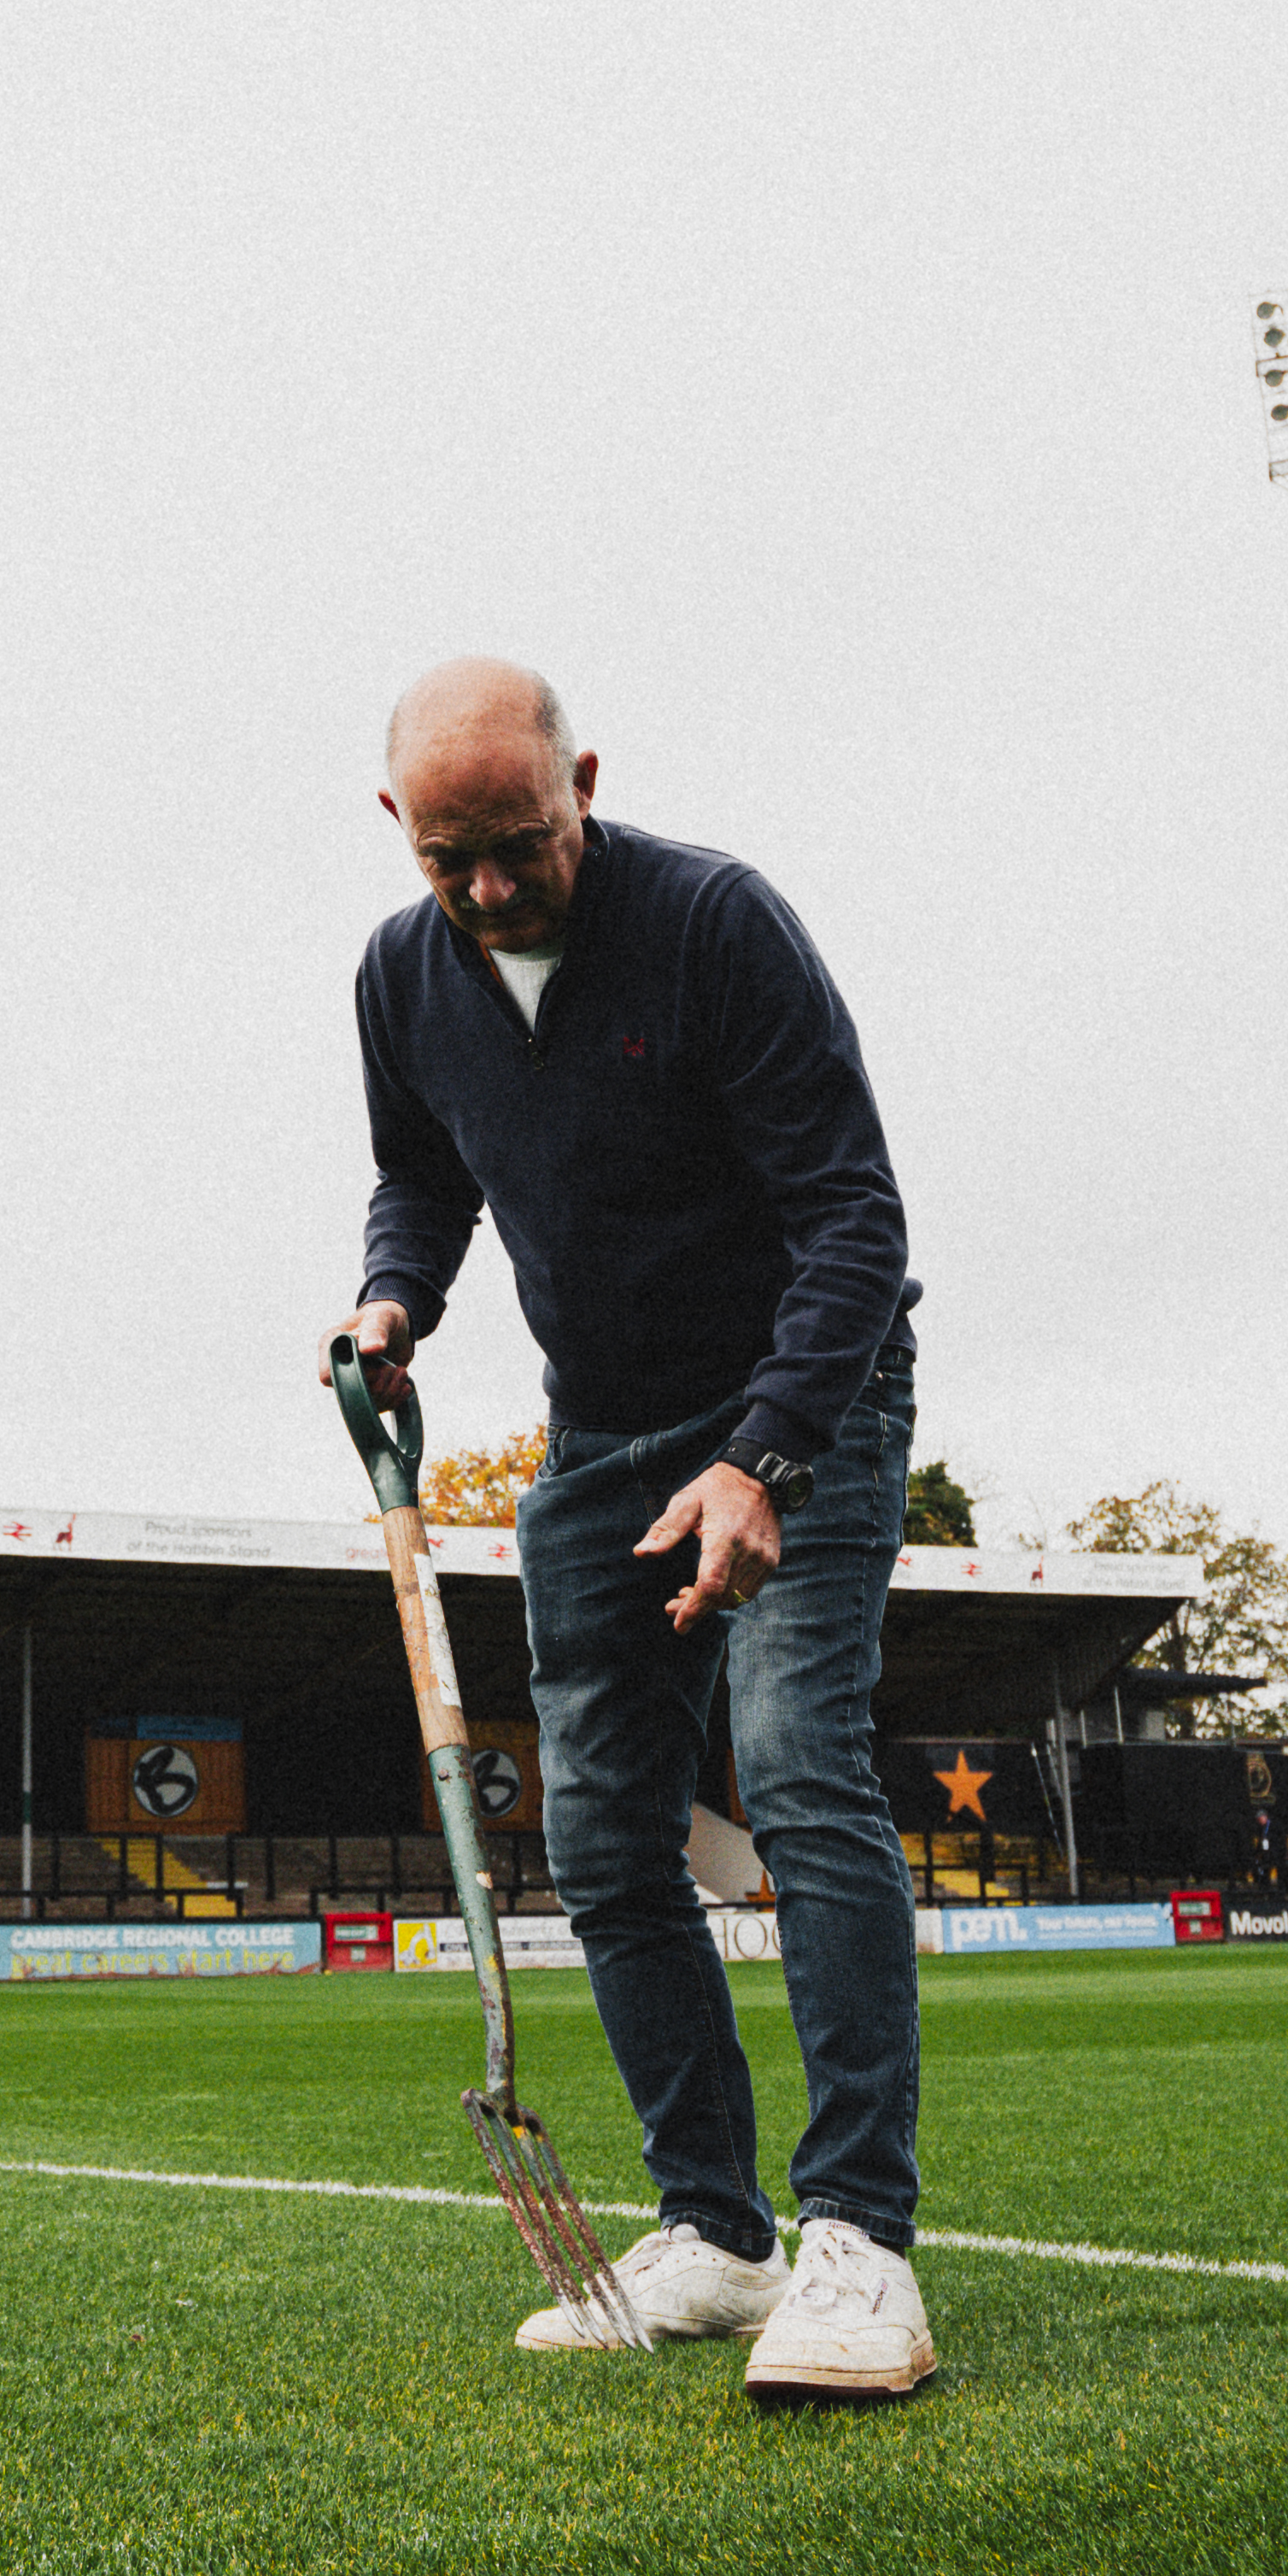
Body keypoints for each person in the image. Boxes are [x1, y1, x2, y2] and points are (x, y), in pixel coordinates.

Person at [330, 655, 935, 2404]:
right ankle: (717, 2229)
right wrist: (391, 1299)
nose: (490, 888)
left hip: (798, 1402)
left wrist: (760, 1457)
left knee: (792, 1756)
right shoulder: (397, 972)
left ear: (579, 780)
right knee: (600, 1831)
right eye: (451, 858)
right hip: (597, 1436)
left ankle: (859, 2244)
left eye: (519, 841)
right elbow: (419, 1170)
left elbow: (851, 1215)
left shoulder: (714, 924)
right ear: (399, 831)